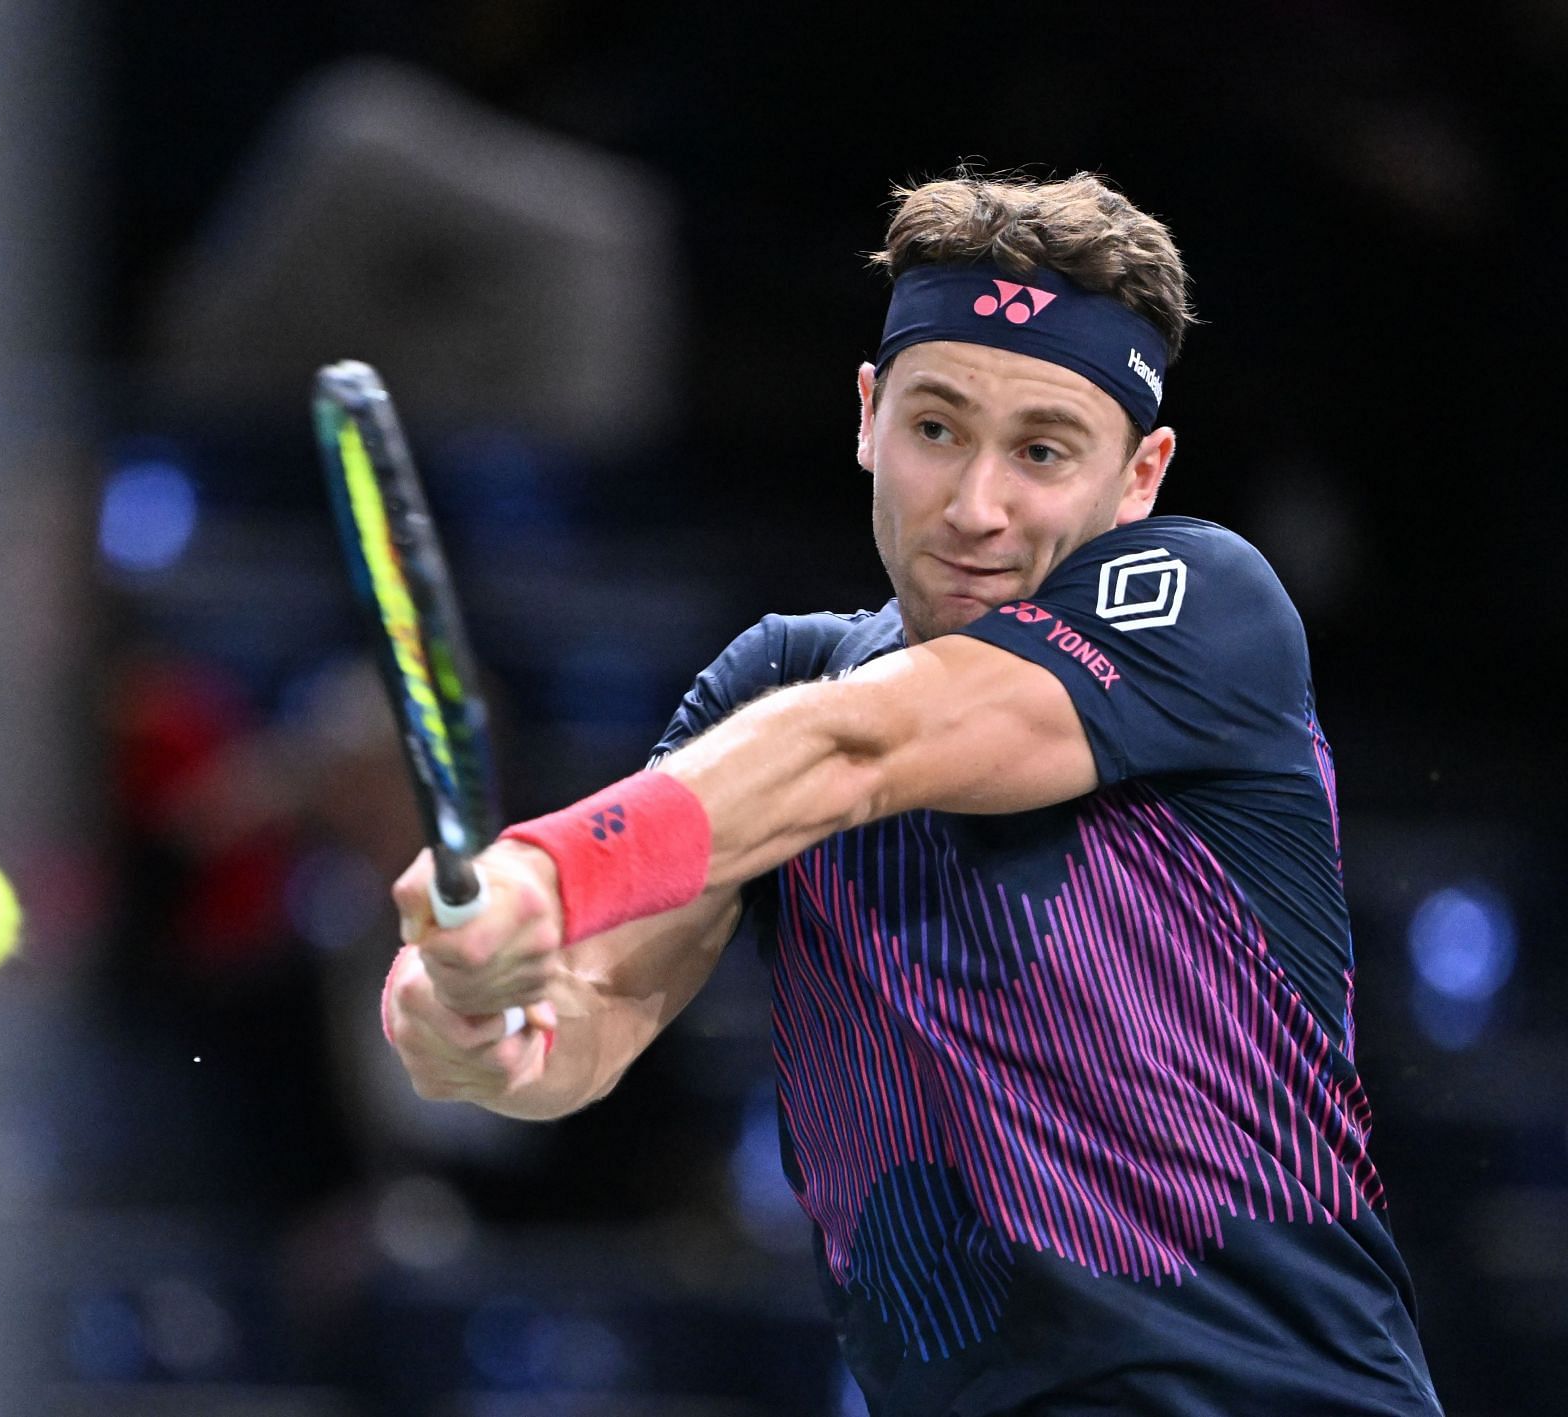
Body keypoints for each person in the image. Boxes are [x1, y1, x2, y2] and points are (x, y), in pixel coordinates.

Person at [378, 170, 1443, 1415]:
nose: (976, 508)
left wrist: (546, 871)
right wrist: (476, 1014)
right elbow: (592, 1010)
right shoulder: (776, 682)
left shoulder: (1207, 608)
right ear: (870, 415)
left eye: (1043, 451)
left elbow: (861, 753)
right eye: (938, 429)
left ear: (1140, 475)